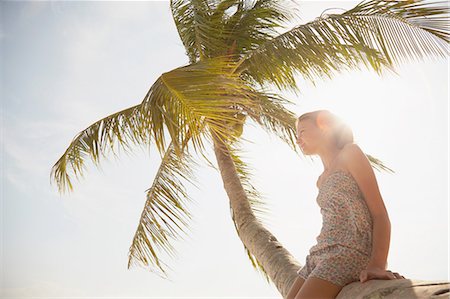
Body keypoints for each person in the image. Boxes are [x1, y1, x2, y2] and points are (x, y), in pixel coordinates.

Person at [286, 110, 406, 299]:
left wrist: (377, 265)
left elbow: (380, 214)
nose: (298, 139)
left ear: (324, 127)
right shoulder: (320, 180)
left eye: (302, 132)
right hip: (318, 254)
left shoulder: (350, 153)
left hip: (347, 252)